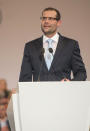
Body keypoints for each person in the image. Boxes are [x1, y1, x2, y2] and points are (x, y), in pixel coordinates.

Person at [19, 7, 87, 82]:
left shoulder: (71, 45)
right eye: (44, 18)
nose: (46, 21)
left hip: (63, 92)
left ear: (59, 23)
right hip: (39, 93)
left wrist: (70, 83)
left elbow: (81, 73)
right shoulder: (30, 47)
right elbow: (24, 78)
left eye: (50, 18)